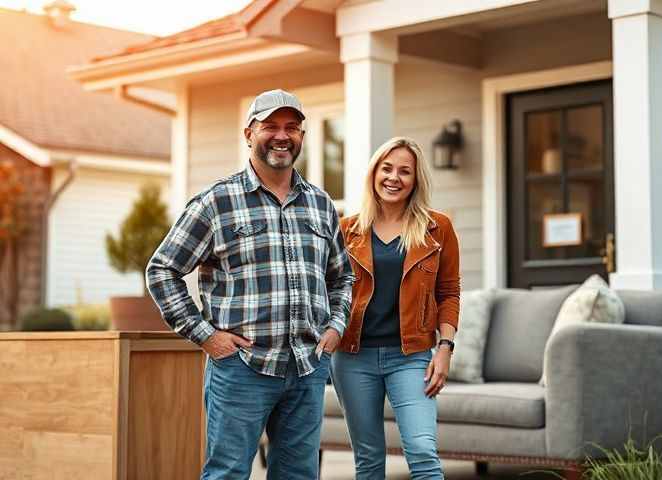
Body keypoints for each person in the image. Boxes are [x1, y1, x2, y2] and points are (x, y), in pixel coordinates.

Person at [146, 89, 354, 480]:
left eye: (292, 127)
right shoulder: (216, 202)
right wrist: (205, 335)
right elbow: (162, 270)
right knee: (227, 474)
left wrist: (336, 325)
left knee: (298, 475)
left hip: (307, 367)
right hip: (242, 368)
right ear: (248, 134)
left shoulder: (321, 204)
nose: (281, 135)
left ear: (302, 137)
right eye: (270, 126)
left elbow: (341, 275)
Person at [332, 136, 461, 479]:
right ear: (374, 173)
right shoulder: (346, 230)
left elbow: (449, 293)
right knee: (369, 458)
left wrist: (445, 348)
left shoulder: (438, 228)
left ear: (416, 180)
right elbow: (328, 291)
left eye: (405, 171)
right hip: (353, 357)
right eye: (387, 168)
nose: (394, 177)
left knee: (422, 450)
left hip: (411, 356)